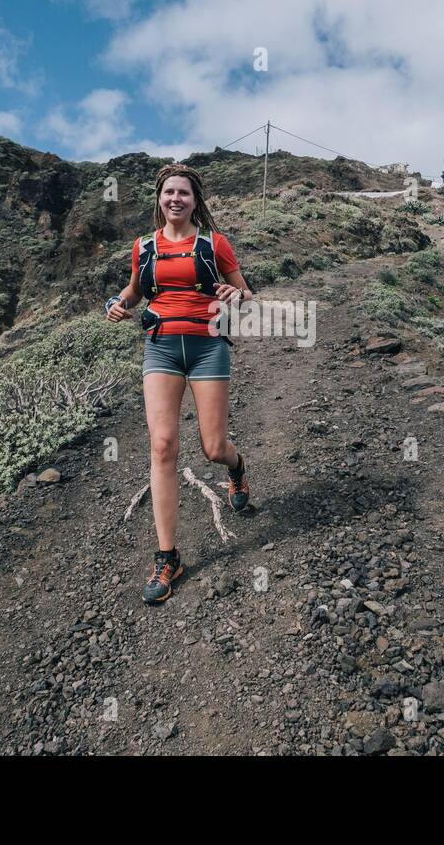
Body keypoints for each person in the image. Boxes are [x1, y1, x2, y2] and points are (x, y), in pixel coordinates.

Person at [104, 163, 255, 604]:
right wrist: (116, 302)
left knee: (213, 447)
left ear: (195, 200)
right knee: (163, 445)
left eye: (183, 193)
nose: (175, 199)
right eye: (168, 192)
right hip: (160, 348)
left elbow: (246, 292)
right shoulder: (144, 246)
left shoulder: (214, 244)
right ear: (160, 198)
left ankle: (237, 469)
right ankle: (167, 556)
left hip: (208, 347)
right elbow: (134, 291)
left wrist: (236, 295)